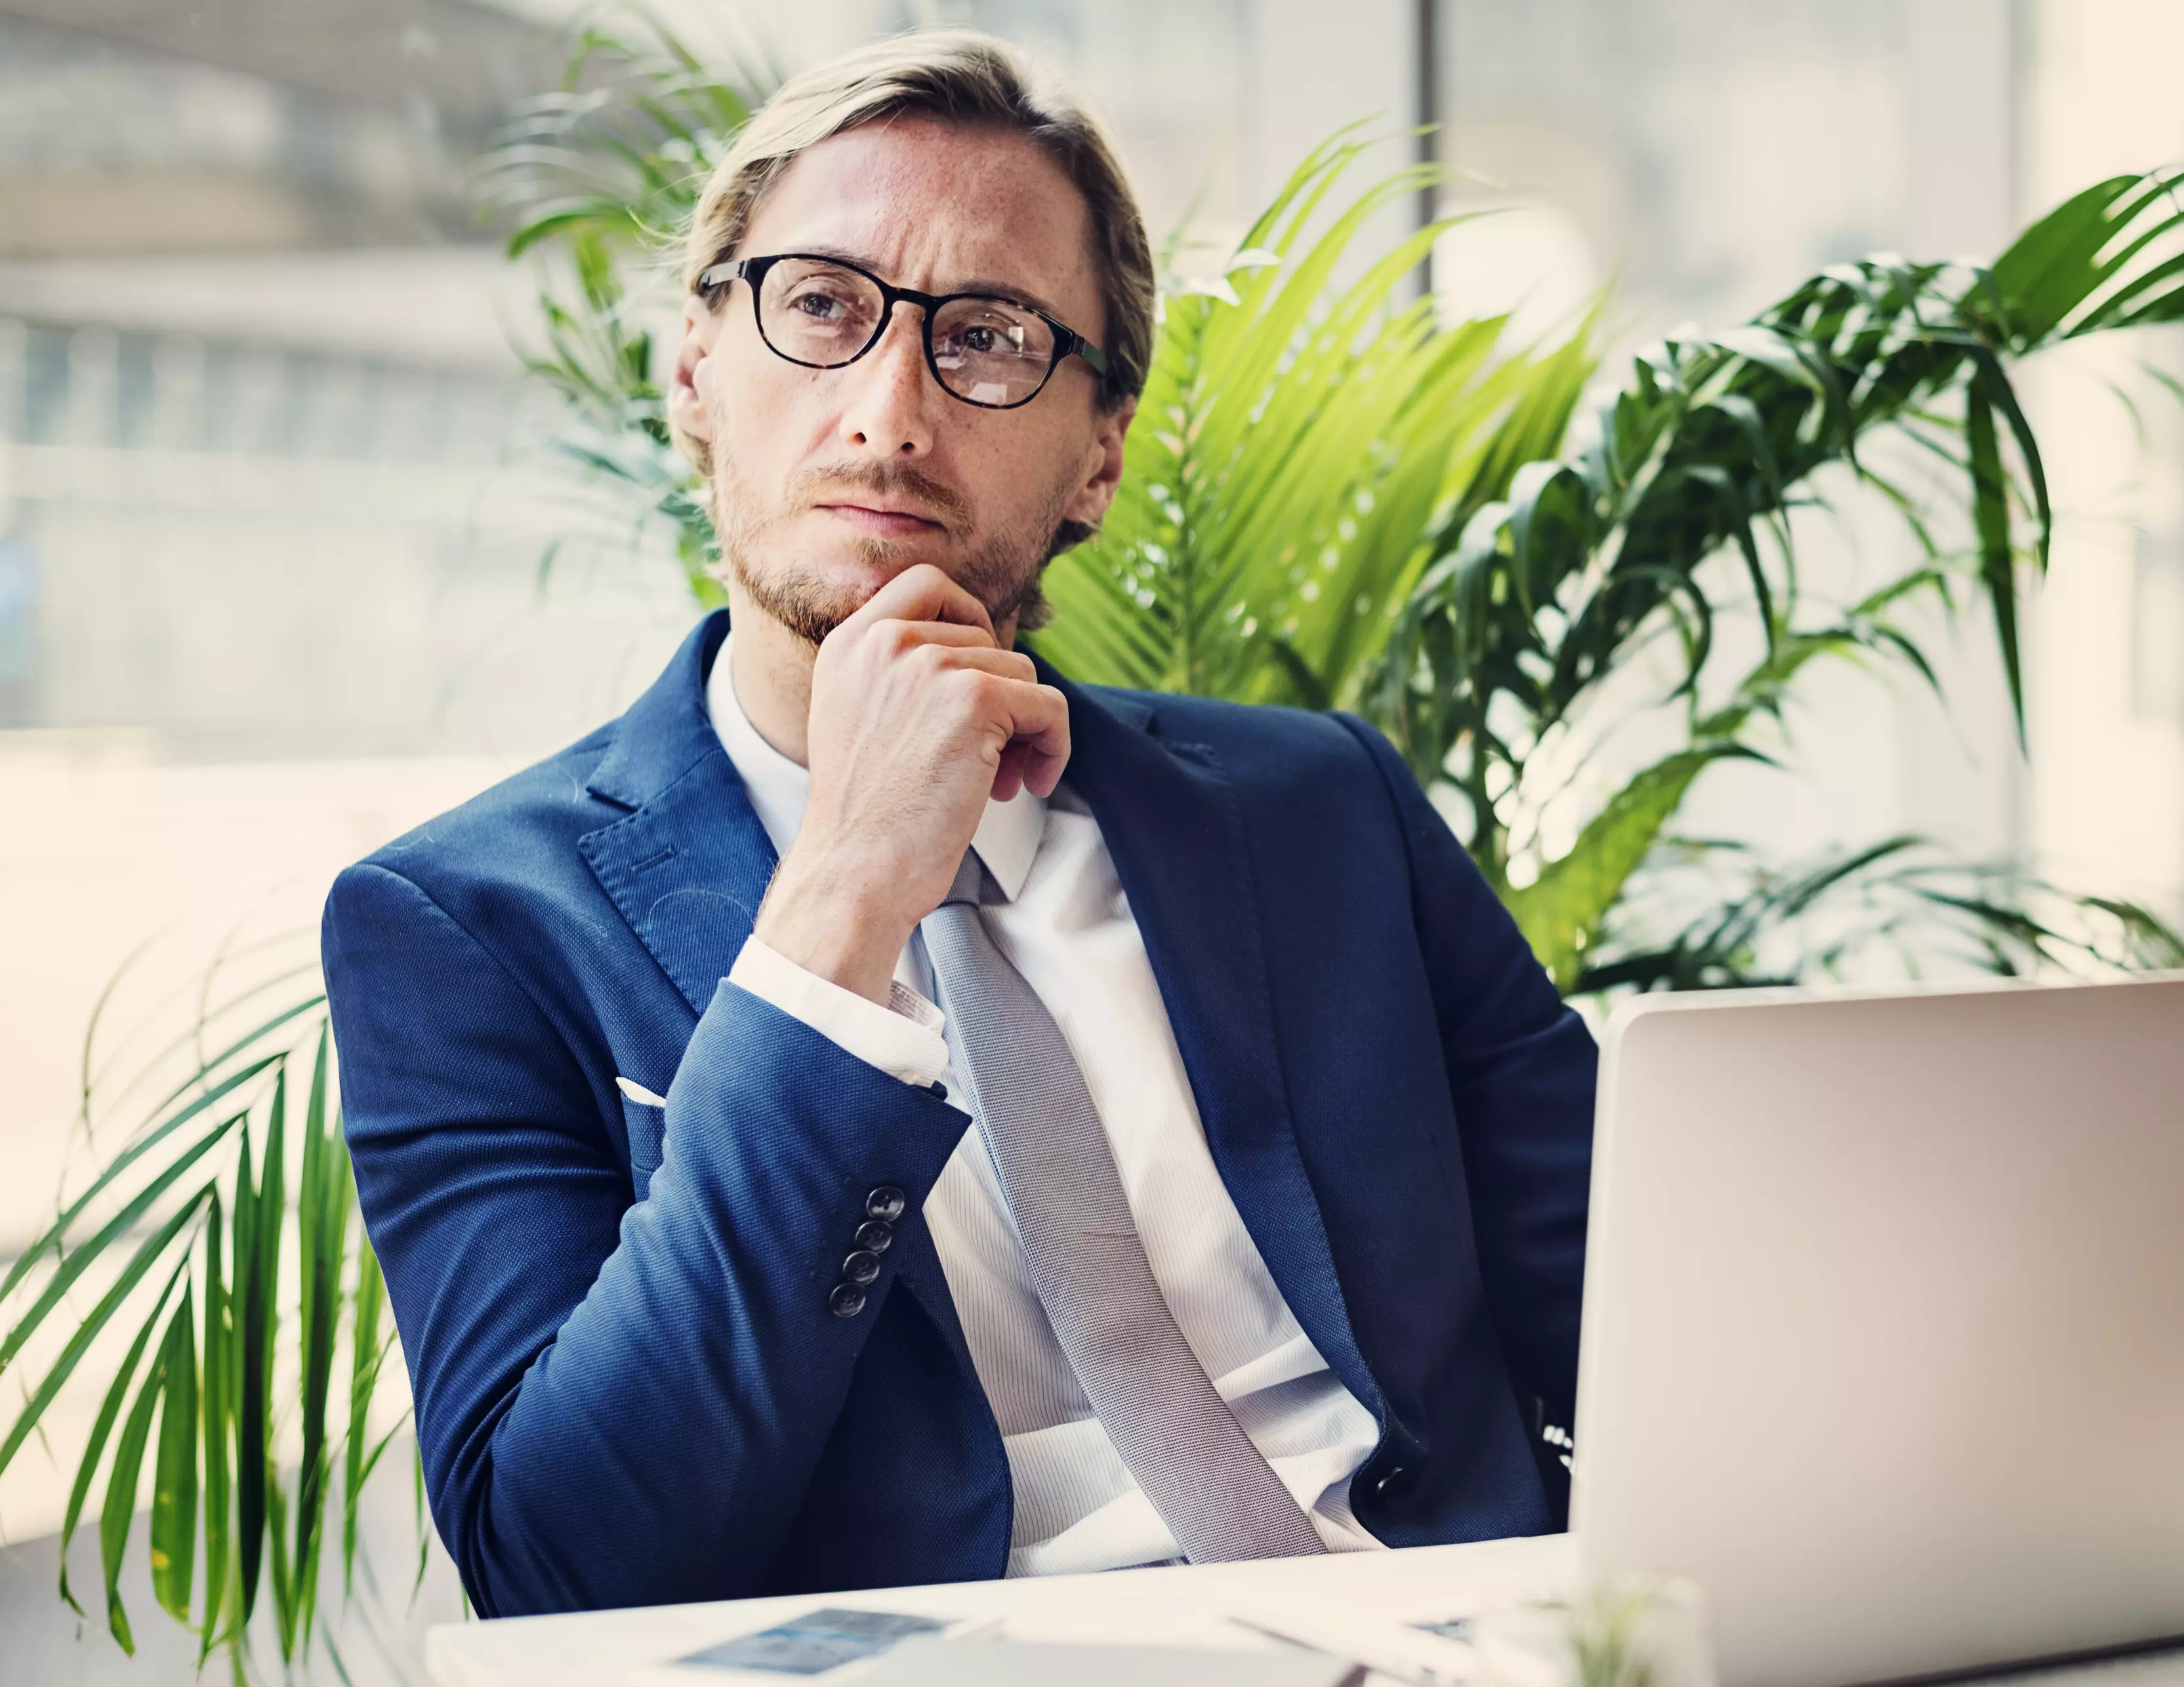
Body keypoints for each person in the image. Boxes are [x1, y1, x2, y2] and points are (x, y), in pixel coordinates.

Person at [321, 28, 1596, 1618]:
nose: (893, 407)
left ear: (1101, 461)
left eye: (988, 336)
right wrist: (842, 903)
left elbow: (1648, 1317)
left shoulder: (1325, 805)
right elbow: (570, 1565)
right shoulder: (464, 926)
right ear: (698, 371)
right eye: (822, 307)